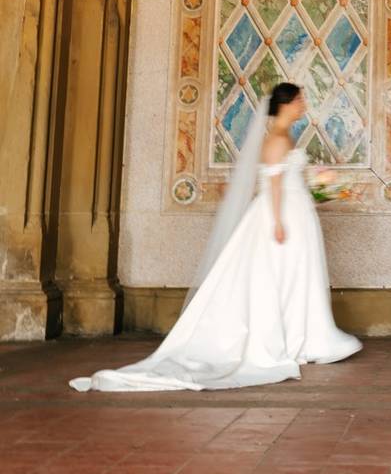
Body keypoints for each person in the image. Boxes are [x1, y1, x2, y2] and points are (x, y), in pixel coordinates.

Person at [70, 83, 361, 391]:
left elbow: (292, 181)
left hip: (297, 214)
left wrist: (325, 191)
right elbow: (274, 186)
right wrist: (277, 222)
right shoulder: (276, 139)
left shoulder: (286, 136)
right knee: (283, 278)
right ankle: (290, 341)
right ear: (286, 104)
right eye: (299, 99)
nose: (304, 103)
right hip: (282, 217)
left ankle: (299, 339)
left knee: (296, 278)